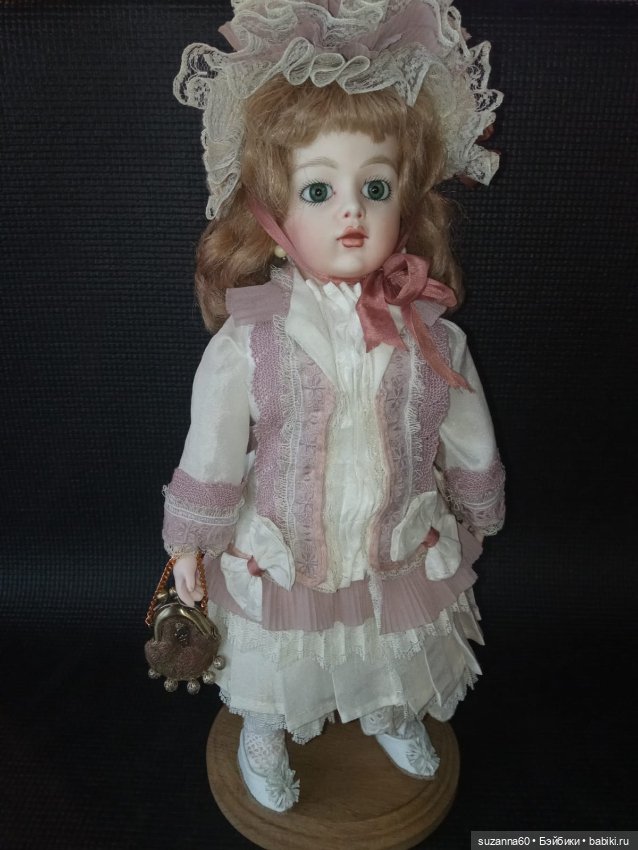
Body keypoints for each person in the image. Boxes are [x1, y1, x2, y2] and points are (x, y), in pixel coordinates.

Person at [163, 0, 505, 812]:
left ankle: (389, 709)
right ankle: (264, 727)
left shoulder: (431, 336)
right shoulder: (252, 341)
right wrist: (190, 549)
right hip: (288, 546)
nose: (351, 211)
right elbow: (212, 450)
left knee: (390, 641)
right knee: (279, 657)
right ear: (273, 210)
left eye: (374, 186)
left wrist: (477, 498)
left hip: (394, 539)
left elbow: (466, 428)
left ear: (405, 202)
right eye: (319, 189)